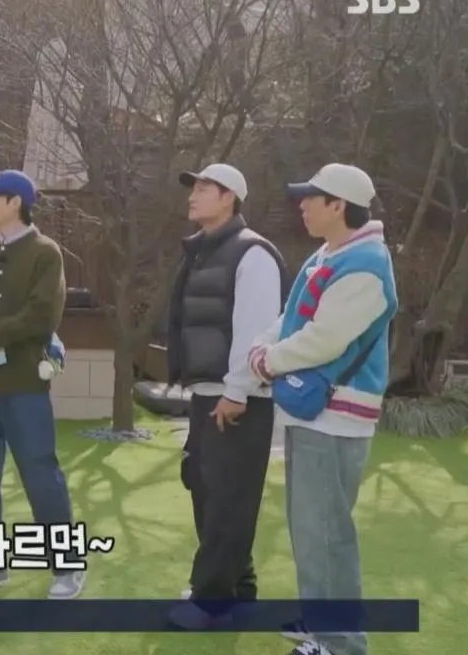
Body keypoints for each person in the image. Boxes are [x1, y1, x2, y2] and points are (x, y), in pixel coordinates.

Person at [248, 164, 396, 655]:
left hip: (336, 414)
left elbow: (325, 338)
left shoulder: (365, 264)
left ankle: (340, 642)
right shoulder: (332, 254)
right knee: (311, 528)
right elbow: (292, 318)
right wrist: (264, 346)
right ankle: (320, 621)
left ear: (339, 205)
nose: (303, 205)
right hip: (318, 410)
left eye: (312, 197)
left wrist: (268, 359)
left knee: (326, 533)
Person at [0, 169, 84, 599]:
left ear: (15, 203)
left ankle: (66, 567)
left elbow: (43, 313)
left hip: (24, 385)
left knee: (40, 474)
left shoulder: (46, 253)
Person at [164, 164, 288, 627]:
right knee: (206, 489)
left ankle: (212, 601)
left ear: (229, 197)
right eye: (193, 187)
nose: (192, 195)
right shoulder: (201, 252)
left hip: (238, 398)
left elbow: (256, 331)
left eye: (203, 188)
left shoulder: (252, 254)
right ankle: (238, 588)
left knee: (227, 500)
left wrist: (238, 390)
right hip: (209, 393)